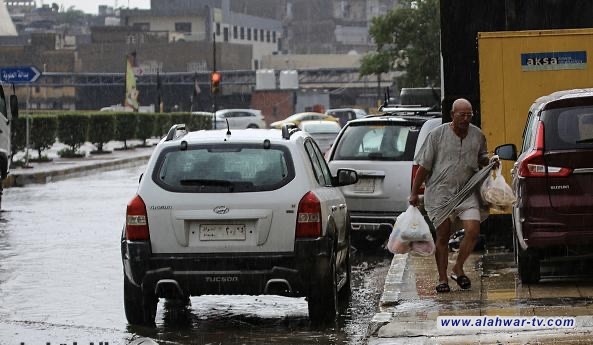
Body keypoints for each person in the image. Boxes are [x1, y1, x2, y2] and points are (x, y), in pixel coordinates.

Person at [409, 98, 498, 293]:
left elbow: (481, 157)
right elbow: (424, 167)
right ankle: (442, 278)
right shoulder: (436, 135)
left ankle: (458, 268)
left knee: (473, 230)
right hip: (440, 193)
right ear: (452, 115)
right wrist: (414, 192)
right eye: (462, 115)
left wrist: (490, 161)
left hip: (466, 192)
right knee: (443, 234)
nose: (466, 119)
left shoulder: (478, 135)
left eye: (469, 115)